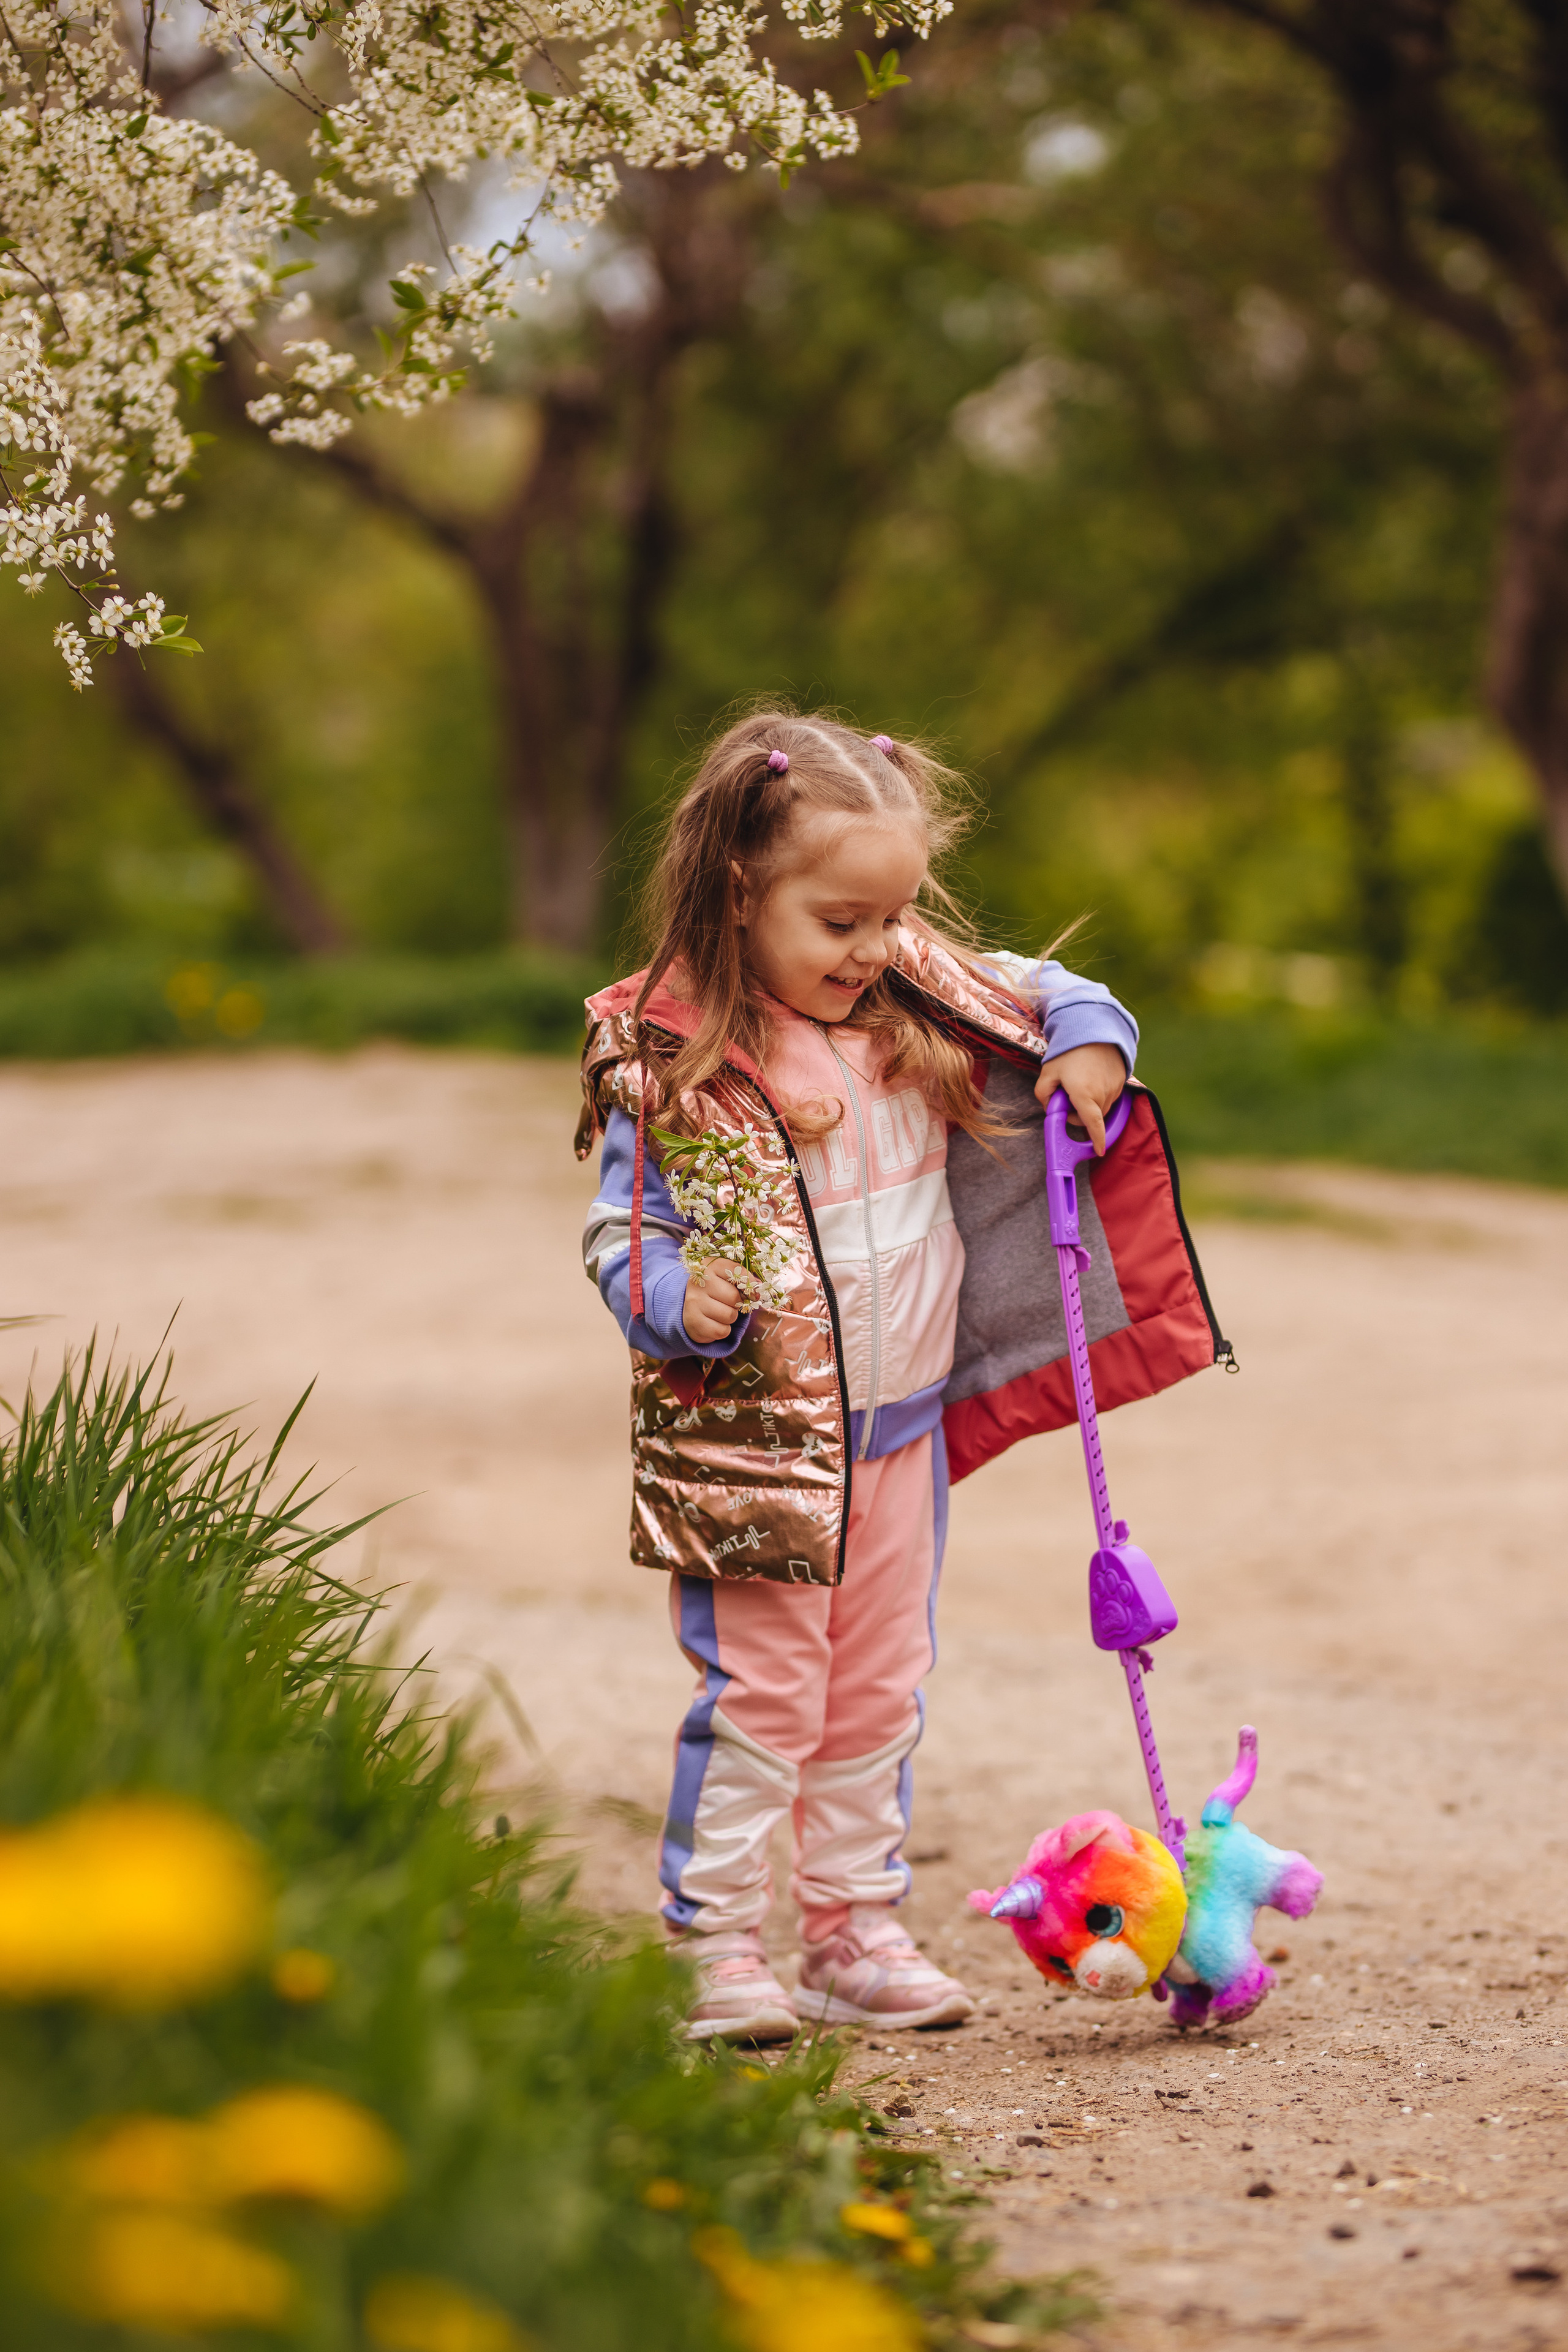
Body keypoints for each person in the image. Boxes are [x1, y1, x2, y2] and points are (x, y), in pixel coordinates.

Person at [576, 710, 1139, 2042]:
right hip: (763, 1453)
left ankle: (848, 1930)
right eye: (839, 923)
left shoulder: (915, 995)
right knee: (764, 1700)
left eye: (890, 918)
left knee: (878, 1693)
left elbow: (1059, 992)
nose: (872, 950)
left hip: (899, 1439)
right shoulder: (674, 1058)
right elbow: (621, 1230)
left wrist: (1092, 1042)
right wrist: (668, 1298)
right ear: (737, 892)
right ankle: (713, 1943)